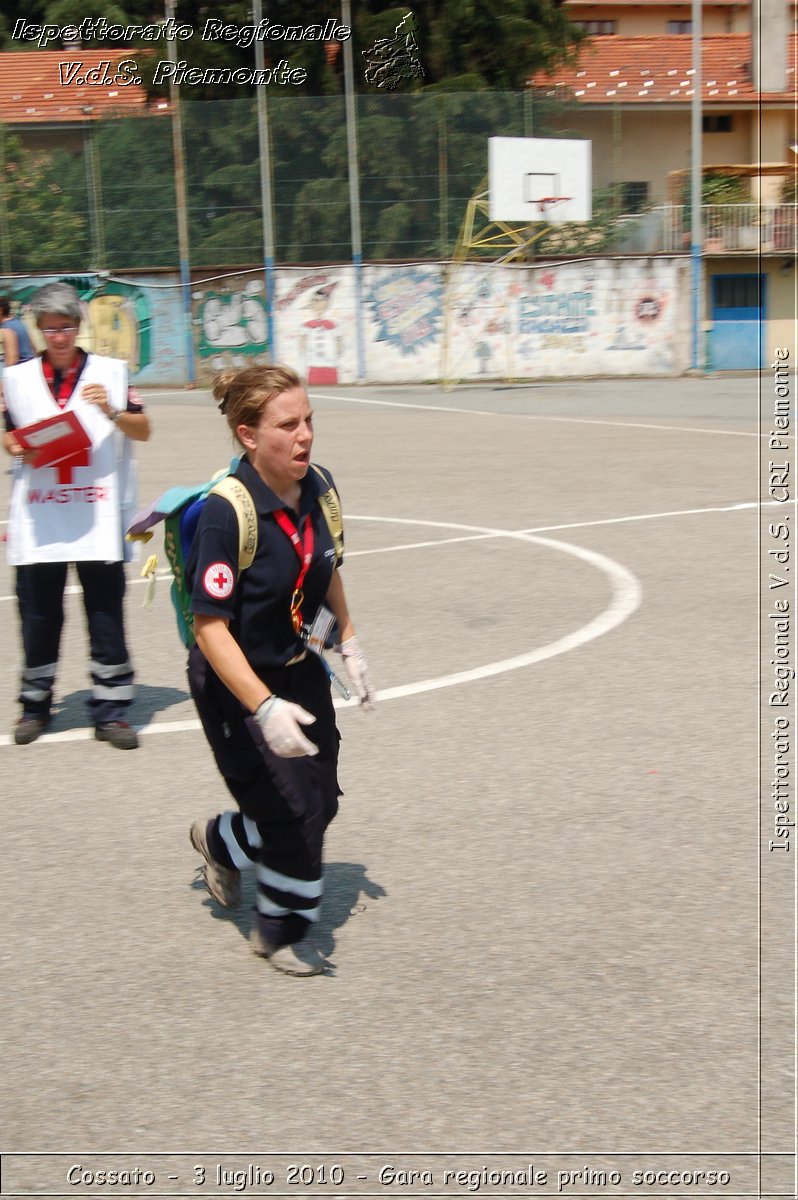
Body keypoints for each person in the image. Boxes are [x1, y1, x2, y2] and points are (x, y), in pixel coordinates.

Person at [186, 364, 375, 977]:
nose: (305, 436)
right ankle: (283, 931)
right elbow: (210, 627)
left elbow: (324, 569)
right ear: (248, 435)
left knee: (322, 804)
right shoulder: (226, 513)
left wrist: (349, 641)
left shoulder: (318, 487)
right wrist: (262, 707)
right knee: (292, 816)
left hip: (299, 669)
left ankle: (220, 841)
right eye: (287, 425)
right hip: (235, 684)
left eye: (309, 420)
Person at [2, 281, 151, 749]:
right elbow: (10, 435)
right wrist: (14, 446)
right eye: (51, 329)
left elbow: (143, 430)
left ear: (79, 326)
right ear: (40, 330)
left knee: (105, 612)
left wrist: (110, 410)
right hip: (40, 516)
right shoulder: (18, 378)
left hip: (97, 513)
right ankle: (35, 703)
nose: (60, 336)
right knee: (39, 615)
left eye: (67, 327)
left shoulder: (112, 373)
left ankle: (111, 710)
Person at [0, 296, 36, 369]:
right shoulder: (18, 322)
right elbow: (33, 348)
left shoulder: (6, 329)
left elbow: (12, 360)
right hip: (33, 364)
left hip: (21, 369)